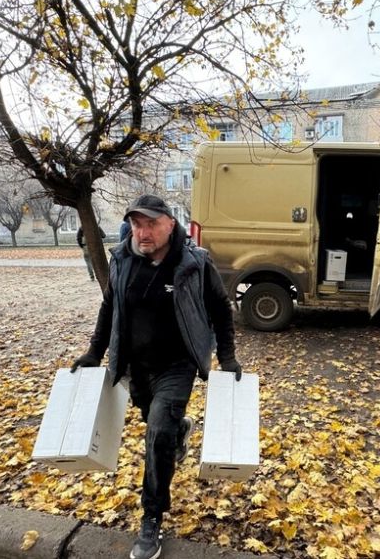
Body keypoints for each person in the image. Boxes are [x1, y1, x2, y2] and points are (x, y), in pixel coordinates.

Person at [70, 194, 240, 559]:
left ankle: (152, 516)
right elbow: (109, 307)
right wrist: (94, 352)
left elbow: (221, 309)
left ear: (170, 224)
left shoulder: (194, 262)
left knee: (157, 432)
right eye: (136, 224)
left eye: (149, 224)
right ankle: (178, 432)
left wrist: (227, 356)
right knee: (157, 424)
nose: (141, 232)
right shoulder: (123, 260)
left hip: (177, 365)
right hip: (135, 367)